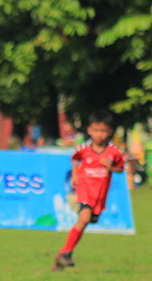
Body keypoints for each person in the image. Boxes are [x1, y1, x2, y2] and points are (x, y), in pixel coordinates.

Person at [53, 109, 125, 271]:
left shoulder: (113, 151)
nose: (99, 134)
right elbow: (75, 159)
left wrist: (111, 167)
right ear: (89, 131)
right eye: (96, 130)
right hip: (85, 190)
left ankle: (61, 257)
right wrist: (75, 176)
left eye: (103, 131)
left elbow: (121, 168)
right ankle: (65, 254)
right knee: (84, 218)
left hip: (100, 194)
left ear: (110, 132)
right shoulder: (84, 148)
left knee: (90, 221)